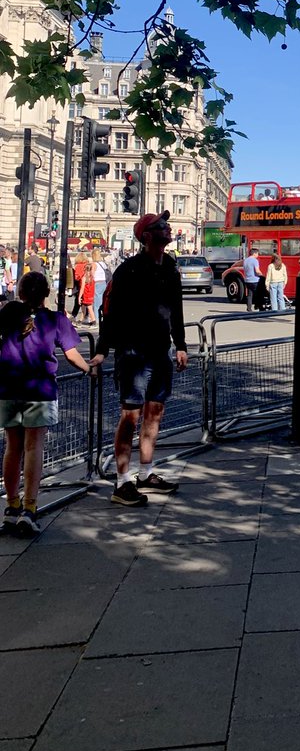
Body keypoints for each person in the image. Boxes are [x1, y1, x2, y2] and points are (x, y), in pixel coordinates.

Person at [90, 211, 187, 506]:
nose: (167, 228)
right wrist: (102, 349)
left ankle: (145, 473)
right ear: (146, 236)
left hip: (161, 351)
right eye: (161, 226)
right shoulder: (129, 270)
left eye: (166, 225)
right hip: (133, 352)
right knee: (130, 416)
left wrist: (180, 345)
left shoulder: (170, 267)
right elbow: (111, 312)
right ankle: (122, 482)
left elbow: (176, 309)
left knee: (154, 412)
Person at [1, 272, 93, 537]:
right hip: (39, 389)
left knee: (12, 447)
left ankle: (11, 505)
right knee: (34, 448)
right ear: (46, 294)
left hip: (8, 386)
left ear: (20, 292)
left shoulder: (8, 314)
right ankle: (29, 508)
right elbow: (72, 355)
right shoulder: (55, 320)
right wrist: (89, 369)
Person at [78, 251, 97, 326]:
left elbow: (82, 288)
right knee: (85, 307)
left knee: (88, 308)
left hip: (85, 295)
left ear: (84, 269)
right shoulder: (92, 277)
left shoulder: (84, 278)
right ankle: (80, 320)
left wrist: (79, 297)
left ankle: (94, 321)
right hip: (90, 295)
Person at [92, 247, 109, 324]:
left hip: (97, 283)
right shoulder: (103, 264)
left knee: (96, 304)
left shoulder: (94, 264)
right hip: (104, 283)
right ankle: (103, 317)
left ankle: (97, 319)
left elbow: (92, 274)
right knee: (102, 301)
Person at [242, 247, 262, 312]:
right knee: (258, 294)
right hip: (255, 280)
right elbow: (257, 271)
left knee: (249, 295)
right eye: (257, 253)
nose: (258, 255)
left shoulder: (245, 260)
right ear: (254, 253)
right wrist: (261, 274)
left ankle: (249, 308)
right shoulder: (255, 261)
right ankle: (258, 306)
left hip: (247, 280)